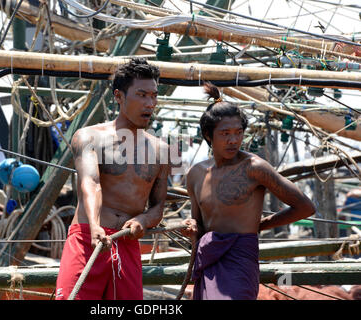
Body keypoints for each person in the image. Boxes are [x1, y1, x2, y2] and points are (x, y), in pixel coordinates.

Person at [55, 58, 195, 300]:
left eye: (154, 96)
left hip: (127, 244)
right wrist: (95, 224)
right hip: (88, 237)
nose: (150, 103)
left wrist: (143, 219)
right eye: (142, 95)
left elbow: (158, 207)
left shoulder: (162, 151)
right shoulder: (89, 136)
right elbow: (90, 183)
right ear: (119, 96)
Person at [185, 82, 316, 300]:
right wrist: (191, 230)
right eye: (225, 133)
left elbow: (305, 207)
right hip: (208, 260)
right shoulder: (196, 174)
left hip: (240, 263)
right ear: (208, 135)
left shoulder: (255, 168)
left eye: (238, 132)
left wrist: (261, 225)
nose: (233, 140)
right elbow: (198, 228)